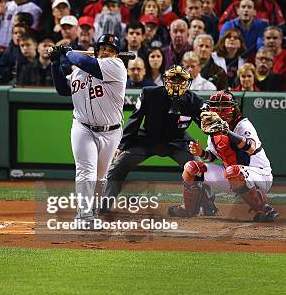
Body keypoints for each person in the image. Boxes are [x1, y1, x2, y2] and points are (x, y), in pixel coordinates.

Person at [103, 65, 208, 212]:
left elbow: (204, 122)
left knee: (198, 168)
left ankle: (203, 204)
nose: (176, 84)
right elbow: (135, 119)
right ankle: (104, 202)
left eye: (181, 80)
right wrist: (122, 145)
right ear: (165, 80)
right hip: (147, 138)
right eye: (173, 79)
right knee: (118, 165)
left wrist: (209, 119)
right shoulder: (149, 93)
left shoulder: (195, 100)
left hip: (177, 141)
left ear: (188, 83)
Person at [49, 34, 128, 226]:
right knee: (87, 171)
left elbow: (86, 62)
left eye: (111, 50)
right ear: (96, 50)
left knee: (100, 177)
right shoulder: (78, 71)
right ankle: (84, 215)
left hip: (111, 132)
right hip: (83, 128)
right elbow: (62, 89)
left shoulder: (116, 66)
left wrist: (68, 52)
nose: (106, 52)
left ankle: (92, 210)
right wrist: (54, 63)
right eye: (103, 48)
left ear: (116, 54)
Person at [168, 91, 278, 222]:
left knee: (233, 171)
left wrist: (227, 131)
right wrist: (201, 153)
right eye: (216, 106)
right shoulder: (213, 129)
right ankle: (191, 208)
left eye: (223, 106)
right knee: (191, 167)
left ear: (233, 108)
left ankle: (263, 209)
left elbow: (251, 148)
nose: (219, 110)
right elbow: (213, 157)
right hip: (232, 176)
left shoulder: (242, 124)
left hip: (260, 176)